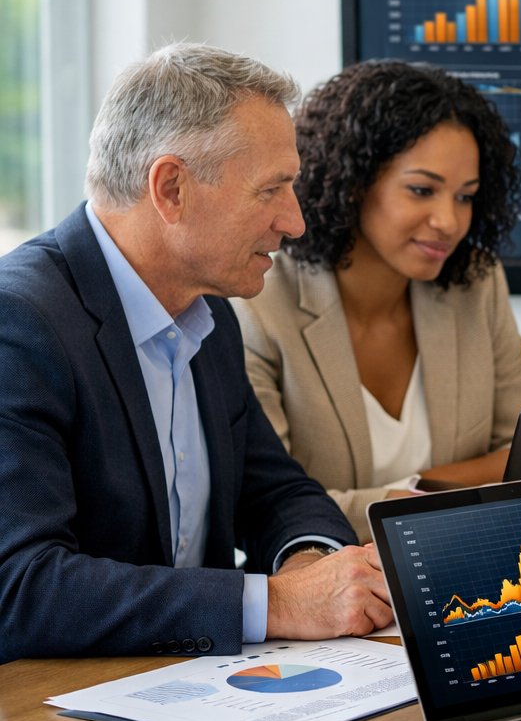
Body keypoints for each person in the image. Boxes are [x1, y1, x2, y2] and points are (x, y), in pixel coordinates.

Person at [0, 43, 392, 661]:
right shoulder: (18, 322)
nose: (295, 222)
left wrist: (313, 567)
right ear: (172, 188)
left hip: (200, 705)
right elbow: (21, 589)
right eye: (272, 190)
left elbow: (275, 493)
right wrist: (280, 603)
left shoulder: (210, 316)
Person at [233, 60, 521, 537]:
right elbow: (265, 509)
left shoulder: (475, 284)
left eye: (465, 197)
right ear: (353, 181)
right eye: (422, 190)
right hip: (329, 588)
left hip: (473, 565)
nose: (449, 221)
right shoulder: (257, 305)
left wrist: (411, 491)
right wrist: (440, 489)